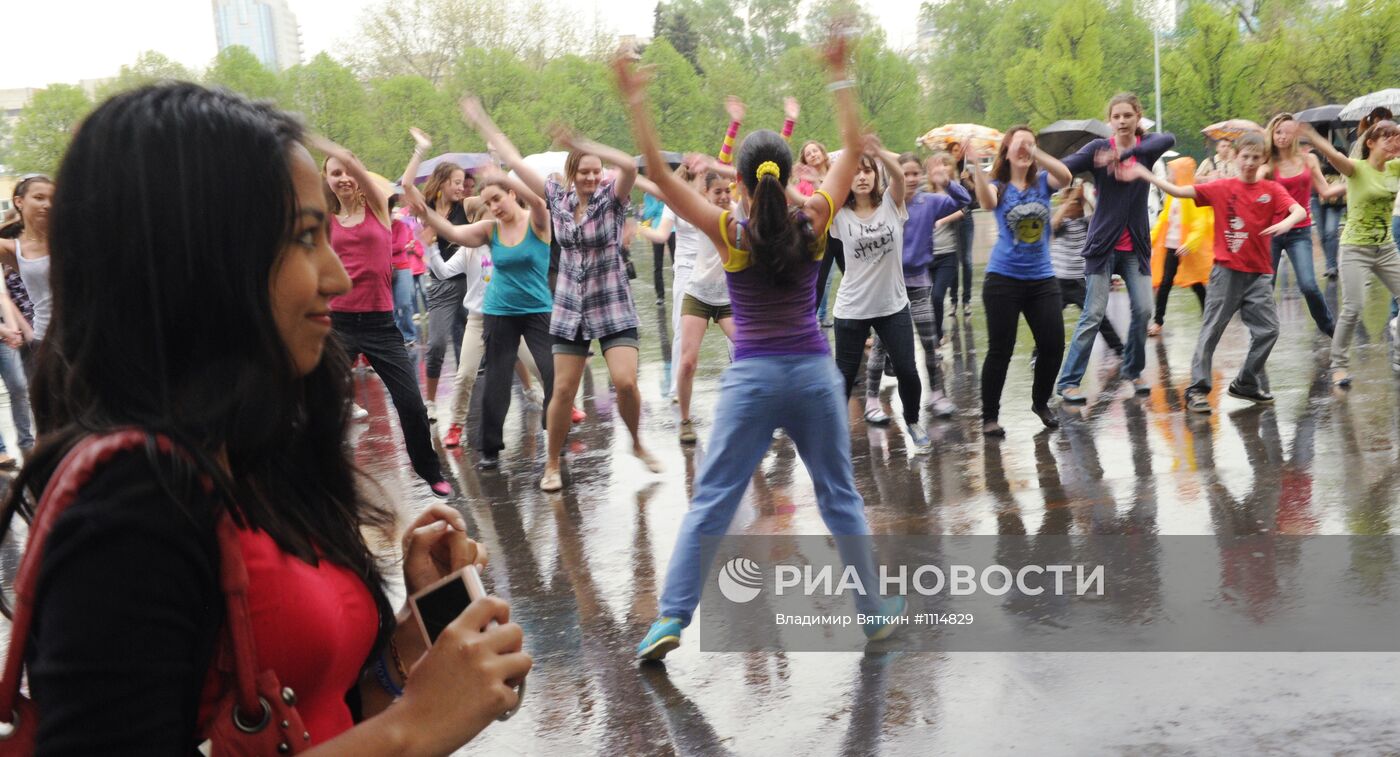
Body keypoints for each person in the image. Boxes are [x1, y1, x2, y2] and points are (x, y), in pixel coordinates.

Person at [6, 82, 529, 753]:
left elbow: (306, 716)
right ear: (195, 254)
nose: (337, 278)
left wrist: (405, 650)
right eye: (306, 237)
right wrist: (414, 727)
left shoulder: (257, 446)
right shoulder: (129, 496)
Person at [618, 37, 904, 662]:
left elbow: (661, 175)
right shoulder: (814, 220)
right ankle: (873, 609)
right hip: (811, 376)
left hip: (752, 381)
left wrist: (637, 99)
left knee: (715, 500)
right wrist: (839, 74)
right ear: (783, 174)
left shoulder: (730, 231)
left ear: (739, 182)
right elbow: (854, 148)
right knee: (838, 496)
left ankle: (671, 617)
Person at [460, 99, 660, 492]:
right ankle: (551, 463)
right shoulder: (556, 197)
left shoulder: (612, 199)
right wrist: (482, 120)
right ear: (572, 173)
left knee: (625, 383)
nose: (590, 177)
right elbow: (514, 161)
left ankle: (636, 441)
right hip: (570, 305)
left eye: (595, 171)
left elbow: (629, 165)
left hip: (612, 302)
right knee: (564, 390)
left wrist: (584, 142)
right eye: (584, 171)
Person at [1126, 132, 1306, 413]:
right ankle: (1198, 389)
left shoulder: (1271, 190)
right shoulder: (1222, 187)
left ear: (1263, 161)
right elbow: (1180, 192)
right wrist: (1147, 175)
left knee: (1269, 330)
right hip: (1226, 273)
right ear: (1235, 157)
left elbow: (1298, 211)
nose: (1249, 162)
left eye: (1255, 158)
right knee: (1212, 330)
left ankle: (1246, 381)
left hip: (1259, 274)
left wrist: (1287, 222)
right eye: (1244, 157)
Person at [321, 139, 451, 497]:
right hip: (338, 324)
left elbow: (352, 162)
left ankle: (429, 471)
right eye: (335, 173)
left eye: (348, 171)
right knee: (321, 404)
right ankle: (323, 478)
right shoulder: (324, 220)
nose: (344, 177)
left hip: (380, 325)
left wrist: (315, 141)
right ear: (327, 179)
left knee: (410, 403)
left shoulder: (378, 207)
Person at [410, 166, 555, 470]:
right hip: (499, 313)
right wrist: (426, 214)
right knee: (496, 381)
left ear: (512, 194)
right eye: (488, 203)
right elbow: (451, 232)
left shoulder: (537, 222)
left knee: (551, 372)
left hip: (537, 310)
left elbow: (540, 202)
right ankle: (490, 449)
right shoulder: (490, 230)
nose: (494, 208)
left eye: (498, 199)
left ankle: (556, 433)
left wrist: (505, 176)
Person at [1056, 93, 1176, 401]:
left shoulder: (1145, 152)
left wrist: (1124, 156)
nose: (1122, 121)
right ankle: (1068, 382)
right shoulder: (1097, 149)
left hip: (1135, 246)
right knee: (1093, 313)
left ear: (1137, 117)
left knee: (1144, 309)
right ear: (1109, 120)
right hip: (1102, 247)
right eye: (1117, 116)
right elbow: (1065, 168)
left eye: (1127, 115)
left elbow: (1168, 138)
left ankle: (1132, 371)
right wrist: (1052, 171)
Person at [968, 127, 1074, 436]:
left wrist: (1036, 151)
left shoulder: (1043, 182)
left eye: (1030, 144)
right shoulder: (998, 185)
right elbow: (986, 202)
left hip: (1041, 279)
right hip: (1003, 279)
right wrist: (976, 166)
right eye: (1019, 145)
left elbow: (1066, 177)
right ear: (1007, 152)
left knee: (1053, 346)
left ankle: (1040, 402)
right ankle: (989, 416)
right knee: (1000, 350)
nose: (1025, 149)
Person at [829, 141, 932, 452]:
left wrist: (876, 153)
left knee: (908, 371)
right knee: (844, 378)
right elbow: (814, 201)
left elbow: (899, 176)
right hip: (852, 309)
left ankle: (912, 419)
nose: (862, 177)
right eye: (856, 172)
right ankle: (833, 434)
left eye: (868, 171)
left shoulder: (891, 203)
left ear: (875, 175)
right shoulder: (839, 214)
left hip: (892, 305)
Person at [1298, 119, 1400, 386]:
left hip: (1386, 247)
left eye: (1397, 136)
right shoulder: (1357, 169)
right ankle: (1339, 365)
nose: (1394, 141)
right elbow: (1333, 155)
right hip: (1356, 247)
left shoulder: (1396, 167)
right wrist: (1311, 134)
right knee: (1353, 308)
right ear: (1371, 143)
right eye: (1387, 137)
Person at [864, 151, 962, 422]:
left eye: (915, 173)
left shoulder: (928, 202)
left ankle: (937, 394)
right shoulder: (885, 204)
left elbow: (965, 201)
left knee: (930, 344)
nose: (910, 179)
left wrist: (945, 181)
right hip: (888, 288)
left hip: (919, 285)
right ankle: (872, 401)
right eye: (904, 173)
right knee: (881, 346)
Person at [1262, 113, 1346, 337]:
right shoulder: (1267, 163)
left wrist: (1353, 182)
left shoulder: (1308, 160)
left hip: (1299, 231)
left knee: (1309, 285)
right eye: (1278, 132)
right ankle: (1261, 333)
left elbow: (1326, 192)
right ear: (1272, 133)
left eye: (1287, 132)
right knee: (1264, 286)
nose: (1282, 137)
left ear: (1295, 135)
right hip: (1272, 231)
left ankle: (1329, 327)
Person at [404, 142, 470, 422]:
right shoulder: (427, 210)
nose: (461, 187)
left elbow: (491, 199)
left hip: (472, 280)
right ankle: (430, 402)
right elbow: (407, 184)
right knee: (438, 344)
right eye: (456, 182)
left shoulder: (467, 205)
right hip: (443, 286)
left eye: (463, 182)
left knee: (496, 335)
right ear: (442, 183)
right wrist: (420, 150)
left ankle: (530, 389)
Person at [1049, 181, 1125, 357]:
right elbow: (1053, 224)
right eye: (1066, 203)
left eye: (1075, 204)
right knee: (1049, 322)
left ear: (1081, 206)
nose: (1069, 208)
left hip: (1079, 282)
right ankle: (1037, 354)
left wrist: (1085, 198)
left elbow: (1102, 215)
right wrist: (1069, 199)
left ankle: (1119, 349)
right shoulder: (1061, 225)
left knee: (1097, 317)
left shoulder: (1086, 223)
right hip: (1058, 282)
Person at [1148, 157, 1212, 336]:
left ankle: (1210, 318)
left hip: (1187, 247)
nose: (1168, 176)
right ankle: (1158, 321)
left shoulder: (1192, 194)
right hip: (1171, 245)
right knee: (1165, 283)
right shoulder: (1172, 195)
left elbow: (1201, 223)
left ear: (1181, 174)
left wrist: (1190, 243)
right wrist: (1150, 240)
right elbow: (1163, 219)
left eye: (1171, 172)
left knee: (1196, 283)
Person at [925, 152, 972, 341]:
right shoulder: (924, 194)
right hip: (927, 257)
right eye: (937, 165)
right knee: (926, 301)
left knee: (937, 296)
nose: (941, 168)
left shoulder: (955, 192)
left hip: (947, 254)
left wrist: (942, 220)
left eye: (945, 164)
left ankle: (938, 335)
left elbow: (965, 204)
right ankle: (935, 336)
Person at [948, 140, 979, 318]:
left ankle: (966, 301)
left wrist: (966, 182)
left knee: (966, 261)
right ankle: (953, 302)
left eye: (959, 150)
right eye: (954, 150)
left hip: (966, 219)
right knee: (953, 262)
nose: (957, 153)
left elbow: (974, 200)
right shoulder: (947, 173)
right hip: (950, 220)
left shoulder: (967, 173)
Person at [388, 195, 420, 345]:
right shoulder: (379, 227)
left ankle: (409, 334)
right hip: (384, 269)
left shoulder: (399, 226)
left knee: (405, 303)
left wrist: (383, 247)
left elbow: (400, 246)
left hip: (401, 268)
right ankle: (396, 336)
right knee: (390, 307)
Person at [640, 191, 673, 305]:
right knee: (657, 265)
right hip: (656, 230)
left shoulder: (667, 190)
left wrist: (664, 197)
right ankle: (660, 296)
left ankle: (680, 291)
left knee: (677, 263)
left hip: (672, 229)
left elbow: (674, 207)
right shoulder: (647, 196)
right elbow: (647, 215)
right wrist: (657, 201)